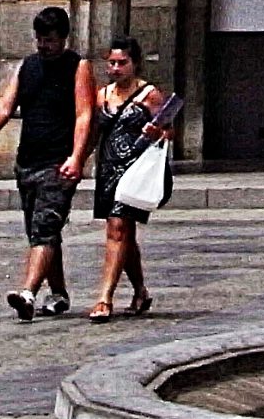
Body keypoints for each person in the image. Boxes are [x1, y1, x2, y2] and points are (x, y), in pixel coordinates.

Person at [0, 5, 96, 320]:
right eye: (39, 39)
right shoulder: (28, 67)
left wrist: (76, 157)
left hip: (58, 162)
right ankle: (59, 293)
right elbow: (5, 108)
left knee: (45, 228)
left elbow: (84, 114)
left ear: (62, 38)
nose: (43, 45)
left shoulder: (78, 67)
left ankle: (28, 293)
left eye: (49, 40)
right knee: (42, 232)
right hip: (28, 161)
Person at [87, 38, 169, 321]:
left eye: (122, 63)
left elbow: (168, 131)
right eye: (112, 62)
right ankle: (140, 291)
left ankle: (104, 297)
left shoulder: (149, 95)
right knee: (126, 236)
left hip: (134, 170)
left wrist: (156, 132)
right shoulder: (102, 95)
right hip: (109, 168)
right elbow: (94, 132)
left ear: (134, 64)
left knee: (118, 228)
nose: (116, 68)